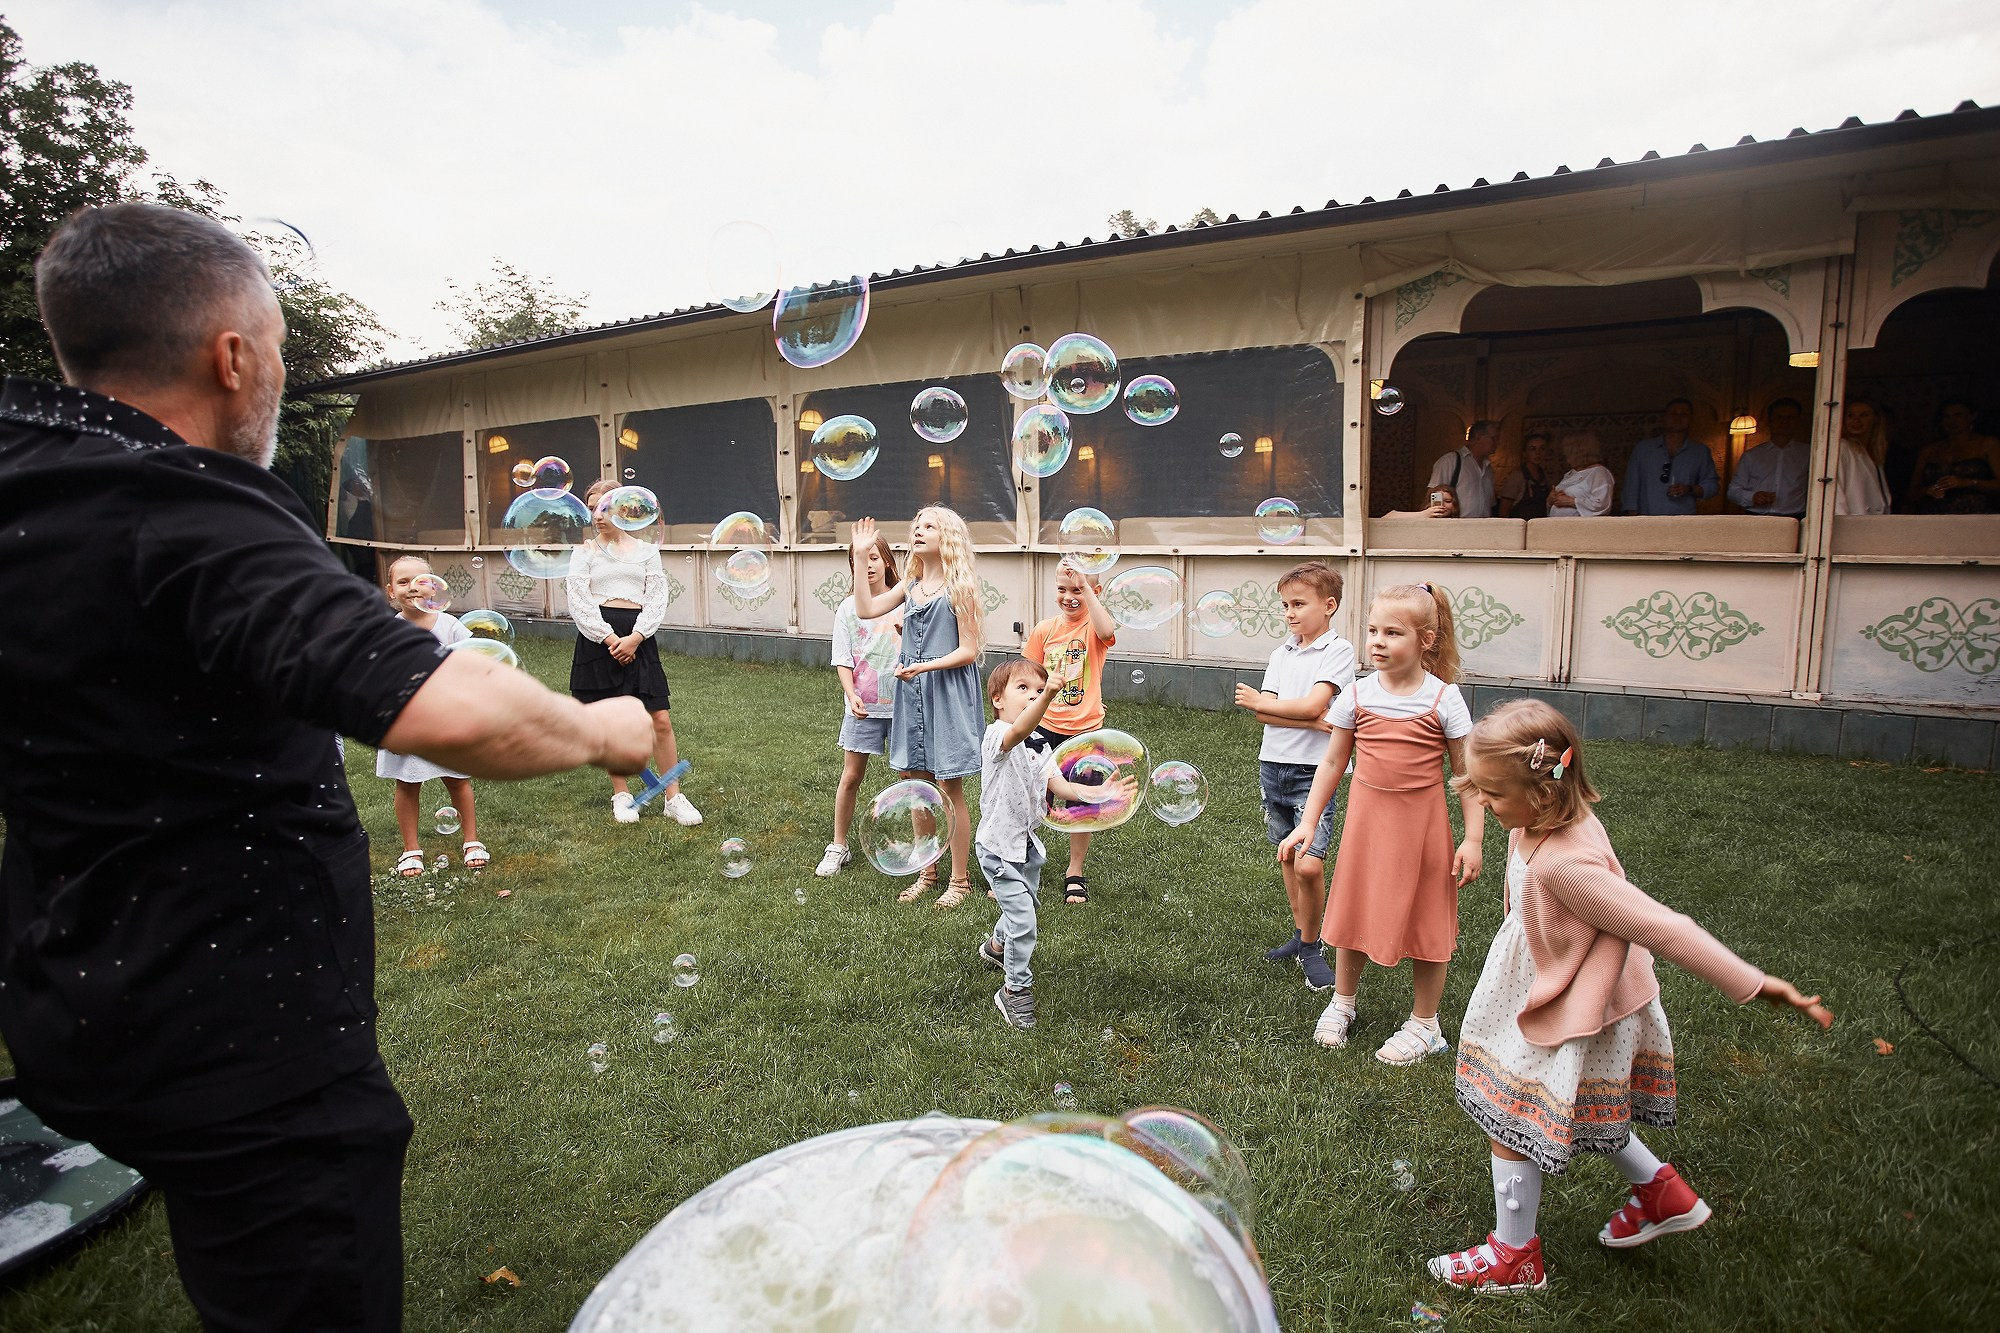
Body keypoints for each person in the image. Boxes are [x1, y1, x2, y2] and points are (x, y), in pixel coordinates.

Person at [0, 202, 654, 1331]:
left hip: (73, 997)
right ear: (234, 354)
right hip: (240, 1045)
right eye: (284, 354)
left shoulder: (30, 476)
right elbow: (442, 707)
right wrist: (606, 732)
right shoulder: (187, 509)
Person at [1426, 699, 1834, 1294]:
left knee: (1511, 1109)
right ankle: (1661, 1191)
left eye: (1492, 793)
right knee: (1581, 1107)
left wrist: (1755, 983)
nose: (1481, 803)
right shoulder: (1543, 818)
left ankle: (1514, 1257)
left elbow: (1664, 926)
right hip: (1566, 981)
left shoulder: (1569, 865)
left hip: (1576, 1002)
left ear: (1543, 794)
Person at [1281, 583, 1482, 1064]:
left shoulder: (1445, 699)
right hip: (1367, 824)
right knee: (1354, 912)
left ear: (1426, 640)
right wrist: (1308, 822)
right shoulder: (1355, 695)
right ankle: (1343, 1001)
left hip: (1424, 828)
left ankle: (1425, 1023)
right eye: (1373, 630)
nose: (1377, 641)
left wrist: (1473, 839)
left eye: (1392, 632)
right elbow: (1331, 765)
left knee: (1428, 920)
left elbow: (1467, 777)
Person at [976, 657, 1132, 1031]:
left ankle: (996, 947)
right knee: (1024, 919)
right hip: (998, 848)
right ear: (998, 699)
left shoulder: (1040, 747)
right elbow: (1020, 729)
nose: (1032, 696)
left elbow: (1059, 786)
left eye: (1038, 688)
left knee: (1023, 905)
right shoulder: (998, 735)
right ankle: (1014, 989)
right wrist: (1046, 696)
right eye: (1023, 689)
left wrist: (1098, 792)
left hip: (1025, 846)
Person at [849, 508, 985, 908]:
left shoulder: (961, 587)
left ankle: (959, 881)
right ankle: (928, 872)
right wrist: (860, 558)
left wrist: (925, 665)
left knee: (949, 786)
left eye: (928, 526)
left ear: (949, 537)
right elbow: (865, 609)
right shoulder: (910, 585)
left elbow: (969, 650)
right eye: (916, 527)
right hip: (913, 693)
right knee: (917, 784)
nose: (918, 531)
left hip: (946, 693)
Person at [1234, 561, 1355, 992]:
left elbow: (1299, 705)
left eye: (1299, 604)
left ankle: (1313, 943)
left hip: (1314, 771)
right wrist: (1305, 717)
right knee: (1287, 856)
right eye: (1285, 605)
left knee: (1308, 863)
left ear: (1329, 606)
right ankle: (1304, 938)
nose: (1289, 613)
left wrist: (1268, 706)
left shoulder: (1339, 652)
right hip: (1274, 766)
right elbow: (1270, 713)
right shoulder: (1280, 653)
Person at [566, 478, 701, 826]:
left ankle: (673, 796)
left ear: (625, 510)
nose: (598, 515)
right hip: (599, 637)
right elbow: (579, 601)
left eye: (605, 507)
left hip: (639, 635)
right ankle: (622, 794)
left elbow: (657, 596)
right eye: (593, 508)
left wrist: (636, 636)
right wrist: (610, 638)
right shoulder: (584, 552)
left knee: (659, 718)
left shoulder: (646, 551)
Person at [376, 555, 486, 877]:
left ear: (434, 587)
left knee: (458, 778)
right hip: (406, 721)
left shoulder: (449, 625)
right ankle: (411, 849)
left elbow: (473, 660)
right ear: (390, 592)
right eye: (403, 582)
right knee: (407, 784)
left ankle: (471, 840)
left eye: (420, 581)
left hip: (445, 718)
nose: (412, 588)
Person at [1022, 557, 1118, 904]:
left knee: (1082, 802)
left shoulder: (1094, 627)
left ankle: (1074, 870)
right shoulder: (1044, 630)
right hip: (1044, 728)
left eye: (1078, 589)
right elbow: (1027, 677)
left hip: (1085, 731)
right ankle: (1022, 861)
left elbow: (1107, 631)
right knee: (1034, 798)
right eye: (1062, 589)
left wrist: (1088, 590)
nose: (1069, 596)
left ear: (1095, 591)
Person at [816, 529, 902, 876]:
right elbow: (843, 658)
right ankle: (838, 845)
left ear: (886, 562)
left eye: (873, 558)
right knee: (851, 775)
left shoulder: (904, 601)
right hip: (862, 706)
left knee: (910, 776)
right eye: (858, 560)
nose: (866, 566)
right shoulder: (848, 608)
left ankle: (918, 849)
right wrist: (851, 694)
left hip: (902, 706)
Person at [1623, 399, 1719, 515]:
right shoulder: (1643, 449)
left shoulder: (1700, 452)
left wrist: (1689, 489)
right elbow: (1631, 485)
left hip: (1683, 520)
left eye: (1684, 414)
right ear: (1664, 417)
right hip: (1647, 519)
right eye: (1673, 413)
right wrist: (1632, 517)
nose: (1678, 417)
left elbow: (1712, 485)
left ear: (1691, 419)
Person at [1906, 397, 2000, 514]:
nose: (1952, 421)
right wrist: (1928, 490)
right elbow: (1911, 493)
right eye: (1946, 416)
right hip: (1936, 516)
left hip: (1975, 516)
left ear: (1973, 416)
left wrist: (1968, 482)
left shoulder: (1987, 444)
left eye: (1958, 415)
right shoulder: (1929, 450)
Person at [1727, 398, 1810, 518]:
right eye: (1779, 417)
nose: (1784, 422)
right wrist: (1753, 497)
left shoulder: (1808, 454)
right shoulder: (1752, 456)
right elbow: (1733, 491)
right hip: (1756, 517)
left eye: (1790, 418)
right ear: (1769, 420)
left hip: (1795, 518)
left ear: (1798, 421)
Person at [1426, 419, 1499, 518]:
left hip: (1482, 528)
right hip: (1456, 527)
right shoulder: (1450, 461)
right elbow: (1434, 494)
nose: (1497, 442)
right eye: (1493, 438)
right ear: (1478, 437)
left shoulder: (1488, 468)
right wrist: (1438, 518)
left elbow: (1490, 503)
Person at [1834, 399, 1893, 516]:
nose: (1856, 420)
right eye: (1850, 415)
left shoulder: (1874, 453)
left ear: (1875, 419)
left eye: (1863, 415)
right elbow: (1836, 494)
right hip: (1854, 525)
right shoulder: (1842, 448)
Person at [1547, 432, 1616, 517]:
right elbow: (1555, 502)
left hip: (1580, 527)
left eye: (1568, 449)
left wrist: (1572, 502)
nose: (1564, 453)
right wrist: (1551, 500)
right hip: (1557, 526)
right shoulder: (1570, 474)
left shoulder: (1599, 472)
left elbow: (1602, 504)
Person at [1497, 432, 1556, 520]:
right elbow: (1503, 512)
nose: (1538, 453)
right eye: (1533, 449)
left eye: (1542, 449)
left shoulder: (1546, 476)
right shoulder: (1517, 477)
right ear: (1525, 453)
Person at [1384, 485, 1458, 520]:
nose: (1442, 505)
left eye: (1448, 501)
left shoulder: (1458, 522)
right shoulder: (1422, 516)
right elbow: (1387, 517)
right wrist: (1424, 514)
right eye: (1438, 501)